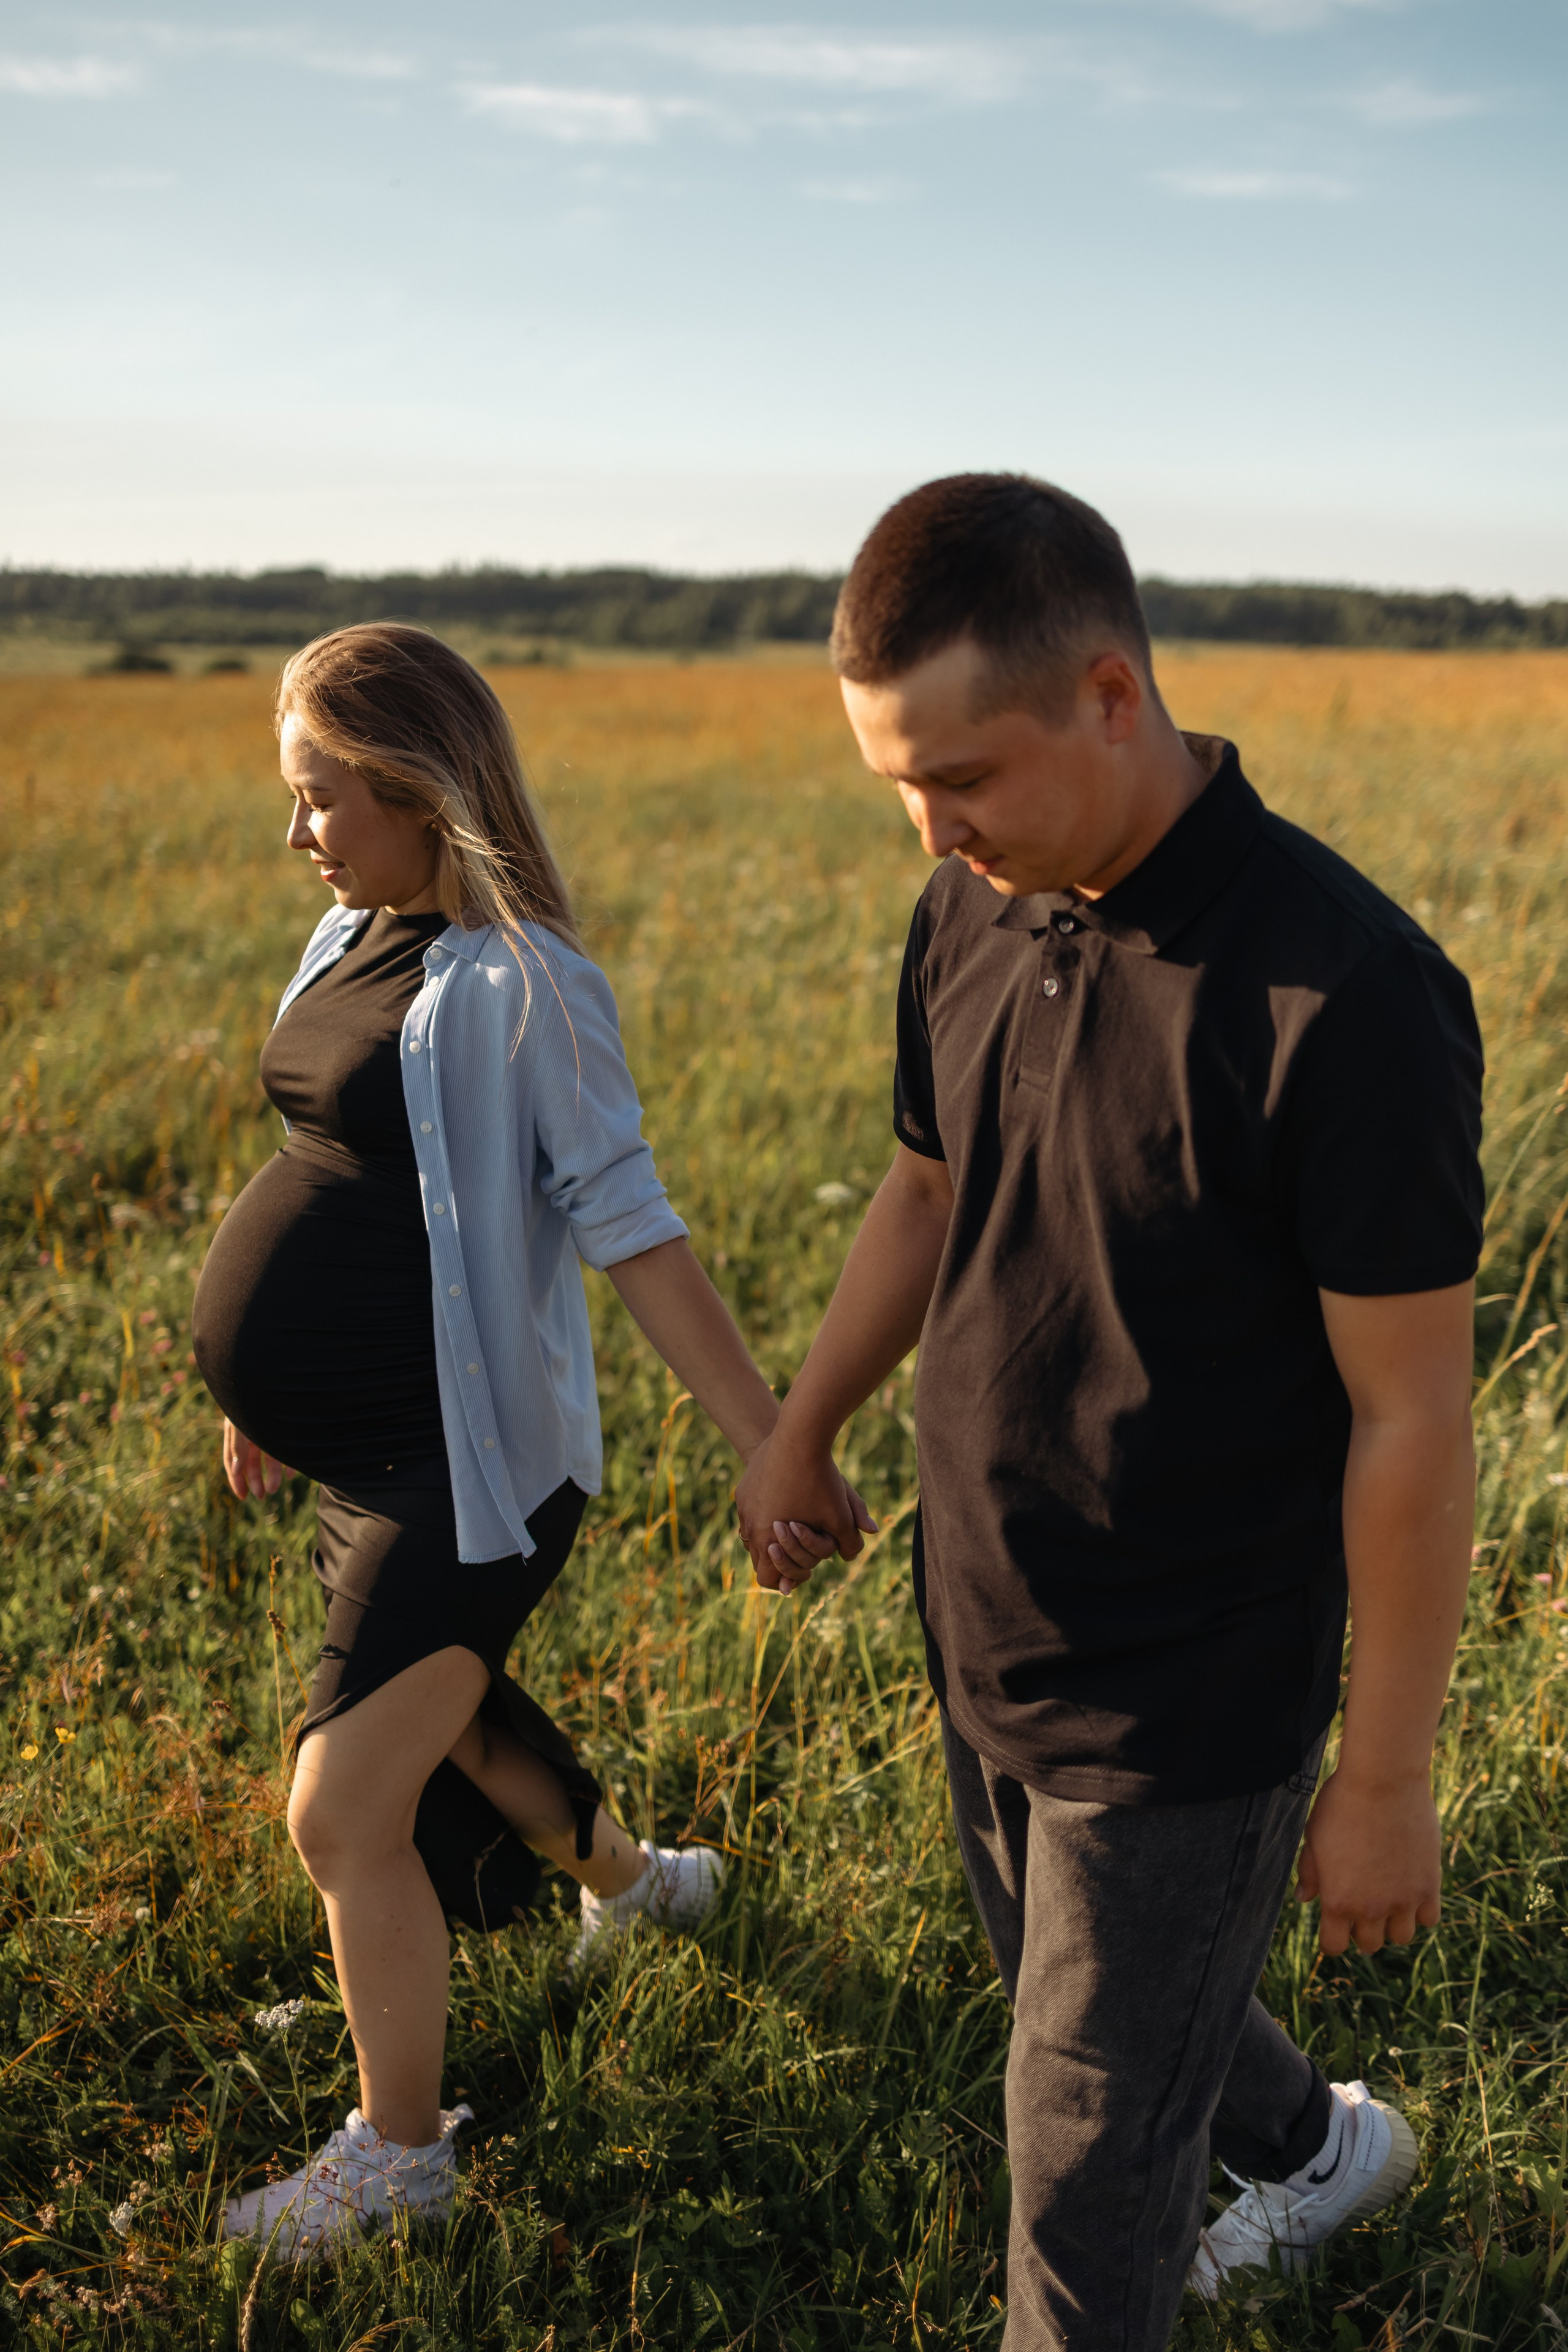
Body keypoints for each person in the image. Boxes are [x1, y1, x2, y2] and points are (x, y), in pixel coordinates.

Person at [736, 475, 1483, 2350]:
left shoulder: (1350, 996)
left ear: (1111, 697)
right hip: (985, 1604)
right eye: (901, 786)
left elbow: (1414, 1423)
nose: (933, 828)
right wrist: (802, 1424)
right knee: (1083, 1994)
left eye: (965, 777)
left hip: (1191, 1680)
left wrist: (1380, 1779)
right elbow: (923, 1192)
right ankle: (1320, 2150)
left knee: (1076, 2176)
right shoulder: (972, 907)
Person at [192, 624, 867, 2264]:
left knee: (343, 1813)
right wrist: (255, 1388)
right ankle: (642, 1892)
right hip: (364, 1445)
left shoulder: (525, 986)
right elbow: (326, 1171)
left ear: (422, 786)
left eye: (323, 798)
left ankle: (400, 2160)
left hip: (474, 1464)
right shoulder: (346, 936)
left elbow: (631, 1225)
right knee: (465, 1716)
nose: (302, 834)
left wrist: (773, 1445)